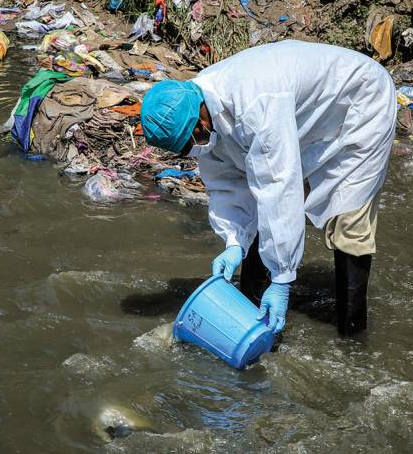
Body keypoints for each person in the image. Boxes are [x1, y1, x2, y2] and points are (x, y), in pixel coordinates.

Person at [140, 40, 396, 336]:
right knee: (263, 210)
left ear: (199, 118)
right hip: (303, 117)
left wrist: (283, 279)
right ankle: (255, 319)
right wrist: (234, 242)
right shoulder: (202, 112)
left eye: (193, 140)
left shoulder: (254, 103)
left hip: (358, 105)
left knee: (348, 225)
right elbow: (226, 185)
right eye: (185, 149)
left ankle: (352, 336)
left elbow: (279, 186)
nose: (195, 149)